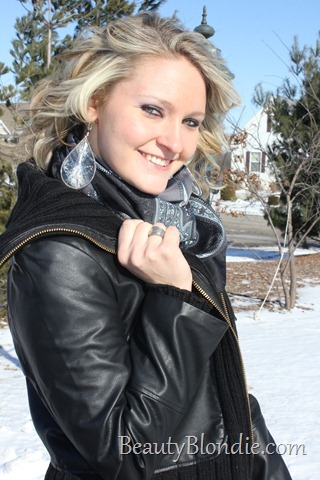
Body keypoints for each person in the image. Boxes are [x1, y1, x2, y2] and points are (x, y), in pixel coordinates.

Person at [0, 13, 292, 480]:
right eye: (153, 110)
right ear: (95, 102)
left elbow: (221, 397)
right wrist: (176, 300)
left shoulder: (182, 225)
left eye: (191, 121)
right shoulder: (59, 254)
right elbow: (126, 455)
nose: (175, 142)